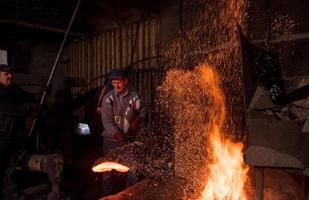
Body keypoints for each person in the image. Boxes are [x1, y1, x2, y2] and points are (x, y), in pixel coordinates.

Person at [100, 68, 147, 196]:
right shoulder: (108, 99)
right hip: (111, 141)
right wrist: (119, 137)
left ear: (125, 81)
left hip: (129, 139)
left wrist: (136, 121)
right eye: (113, 83)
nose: (116, 85)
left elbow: (143, 111)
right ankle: (107, 196)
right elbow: (107, 123)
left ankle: (129, 195)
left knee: (132, 169)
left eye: (119, 82)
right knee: (107, 171)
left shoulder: (134, 96)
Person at [0, 50, 39, 200]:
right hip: (1, 136)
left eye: (10, 73)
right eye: (6, 74)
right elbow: (9, 110)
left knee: (10, 168)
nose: (10, 76)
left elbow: (27, 96)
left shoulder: (13, 88)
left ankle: (10, 194)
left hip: (12, 137)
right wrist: (31, 108)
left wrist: (39, 96)